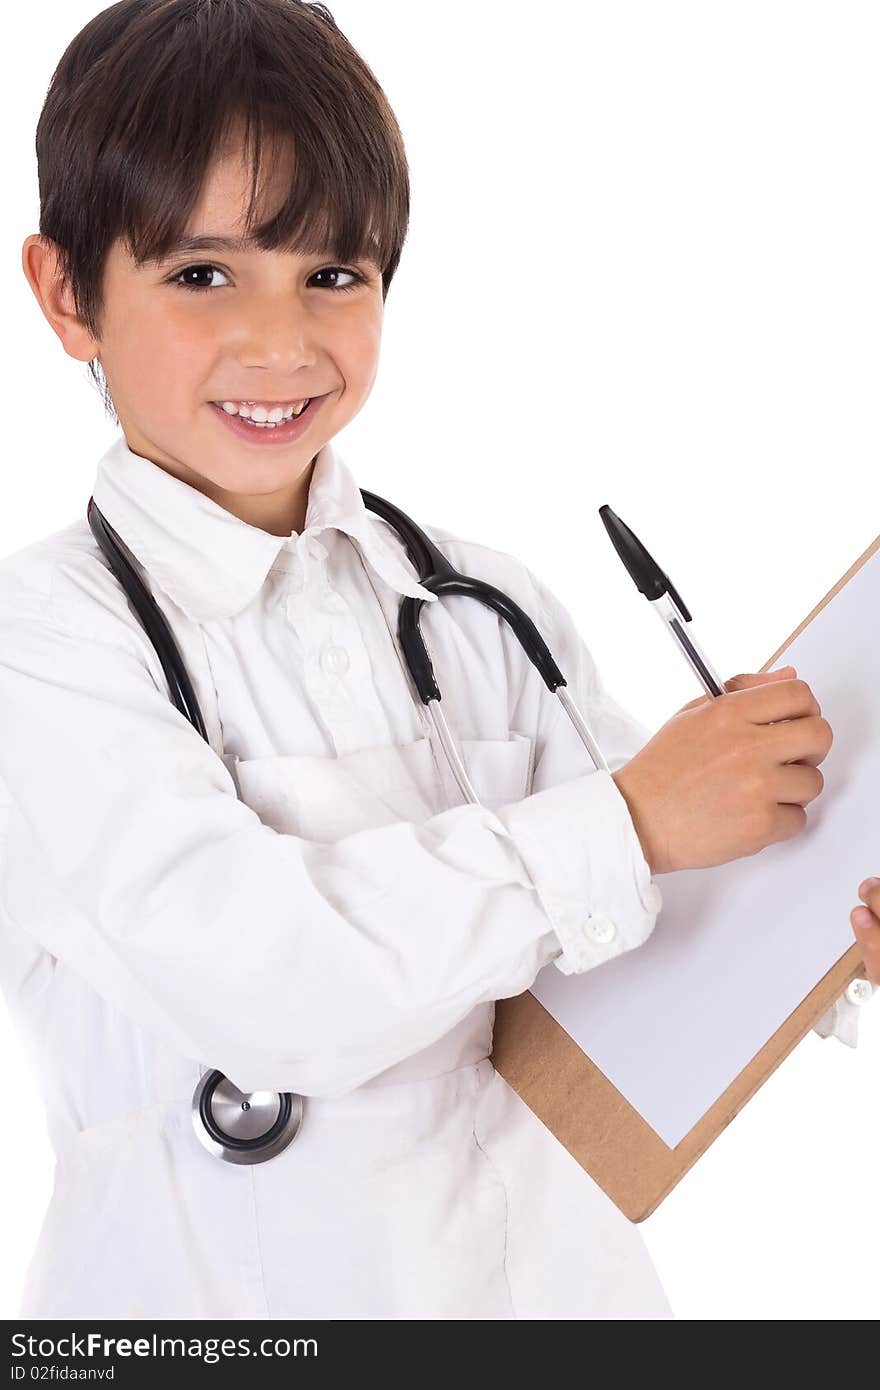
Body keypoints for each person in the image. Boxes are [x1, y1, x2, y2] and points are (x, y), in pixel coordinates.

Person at [0, 0, 874, 1320]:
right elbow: (268, 976)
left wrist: (819, 927)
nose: (278, 341)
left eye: (333, 275)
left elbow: (642, 921)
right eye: (201, 274)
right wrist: (635, 819)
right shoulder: (49, 643)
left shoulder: (481, 605)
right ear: (69, 294)